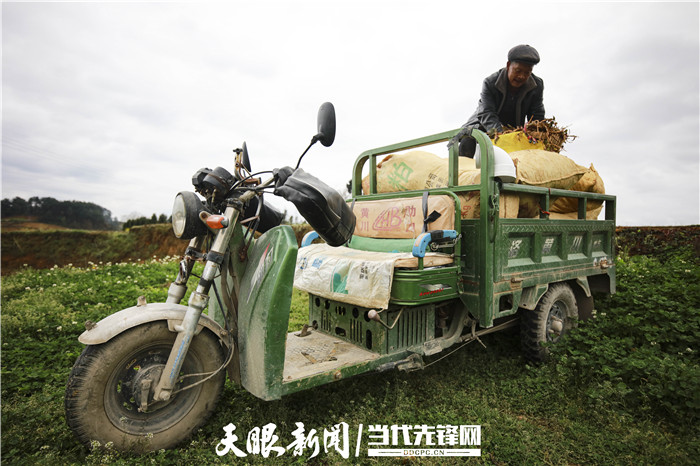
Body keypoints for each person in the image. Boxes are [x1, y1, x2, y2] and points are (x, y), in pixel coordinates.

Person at [449, 44, 545, 157]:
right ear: (508, 65)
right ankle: (463, 170)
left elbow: (537, 115)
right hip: (484, 126)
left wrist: (539, 133)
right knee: (469, 139)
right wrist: (502, 136)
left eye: (527, 73)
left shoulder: (536, 85)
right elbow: (486, 112)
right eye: (518, 71)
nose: (522, 76)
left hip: (513, 130)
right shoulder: (490, 82)